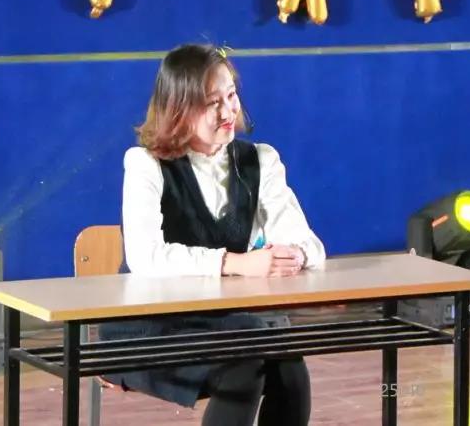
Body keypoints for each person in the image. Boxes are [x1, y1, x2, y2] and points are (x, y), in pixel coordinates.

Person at [101, 43, 326, 426]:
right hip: (150, 326)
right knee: (247, 358)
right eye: (212, 103)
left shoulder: (260, 160)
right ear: (179, 109)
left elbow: (310, 244)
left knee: (286, 361)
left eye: (231, 96)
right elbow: (145, 257)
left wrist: (296, 255)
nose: (228, 111)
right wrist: (235, 263)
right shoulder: (145, 164)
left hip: (226, 323)